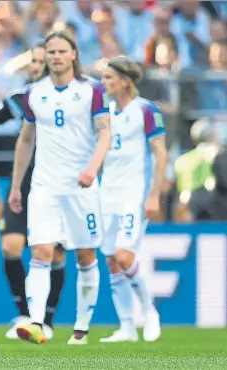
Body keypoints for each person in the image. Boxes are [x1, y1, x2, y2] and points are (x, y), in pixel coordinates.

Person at [9, 30, 111, 345]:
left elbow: (104, 133)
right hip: (44, 185)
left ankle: (81, 327)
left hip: (81, 185)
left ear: (73, 55)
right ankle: (36, 322)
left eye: (61, 51)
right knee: (40, 250)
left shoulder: (91, 90)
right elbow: (26, 139)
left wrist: (92, 168)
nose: (55, 56)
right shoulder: (33, 93)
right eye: (50, 51)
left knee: (84, 255)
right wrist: (16, 185)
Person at [0, 43, 66, 340]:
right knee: (10, 246)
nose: (37, 66)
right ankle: (25, 314)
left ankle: (48, 321)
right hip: (24, 182)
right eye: (35, 61)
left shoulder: (71, 98)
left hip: (58, 183)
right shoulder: (21, 99)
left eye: (43, 61)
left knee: (54, 255)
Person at [98, 56, 166, 343]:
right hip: (106, 193)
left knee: (126, 257)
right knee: (112, 260)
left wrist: (154, 194)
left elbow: (160, 153)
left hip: (133, 193)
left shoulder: (146, 110)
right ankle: (126, 326)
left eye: (109, 78)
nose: (104, 83)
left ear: (125, 81)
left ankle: (149, 312)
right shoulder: (105, 113)